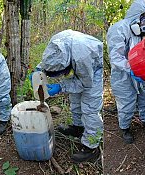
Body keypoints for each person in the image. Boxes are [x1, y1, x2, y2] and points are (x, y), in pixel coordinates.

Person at [34, 29, 103, 163]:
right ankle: (78, 128)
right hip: (79, 62)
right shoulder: (57, 43)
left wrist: (61, 86)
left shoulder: (82, 57)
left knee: (90, 108)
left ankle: (92, 147)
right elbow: (50, 57)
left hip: (94, 69)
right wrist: (39, 70)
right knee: (75, 99)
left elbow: (85, 83)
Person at [106, 0, 145, 144]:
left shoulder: (138, 31)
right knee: (127, 102)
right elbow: (116, 57)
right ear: (136, 15)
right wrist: (131, 69)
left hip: (140, 70)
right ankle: (125, 128)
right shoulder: (119, 29)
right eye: (144, 18)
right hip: (123, 75)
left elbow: (139, 51)